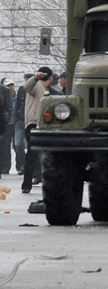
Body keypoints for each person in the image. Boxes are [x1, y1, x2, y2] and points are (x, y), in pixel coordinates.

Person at [22, 67, 54, 195]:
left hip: (44, 125)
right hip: (34, 124)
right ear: (50, 78)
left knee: (43, 155)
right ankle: (26, 184)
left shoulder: (48, 90)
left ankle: (42, 181)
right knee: (32, 155)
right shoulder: (36, 86)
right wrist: (35, 77)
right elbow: (27, 86)